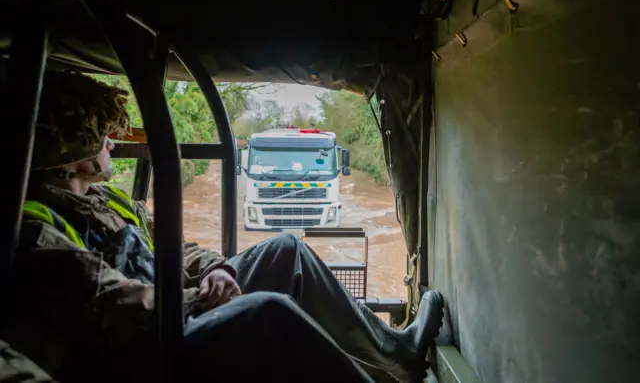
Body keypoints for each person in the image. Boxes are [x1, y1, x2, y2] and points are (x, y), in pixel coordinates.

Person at [7, 71, 444, 383]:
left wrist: (219, 269)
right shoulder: (30, 226)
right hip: (141, 349)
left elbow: (176, 247)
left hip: (181, 307)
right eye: (99, 136)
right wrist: (198, 297)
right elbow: (116, 304)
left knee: (285, 248)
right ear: (68, 151)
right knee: (265, 311)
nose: (110, 143)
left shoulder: (104, 197)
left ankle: (395, 354)